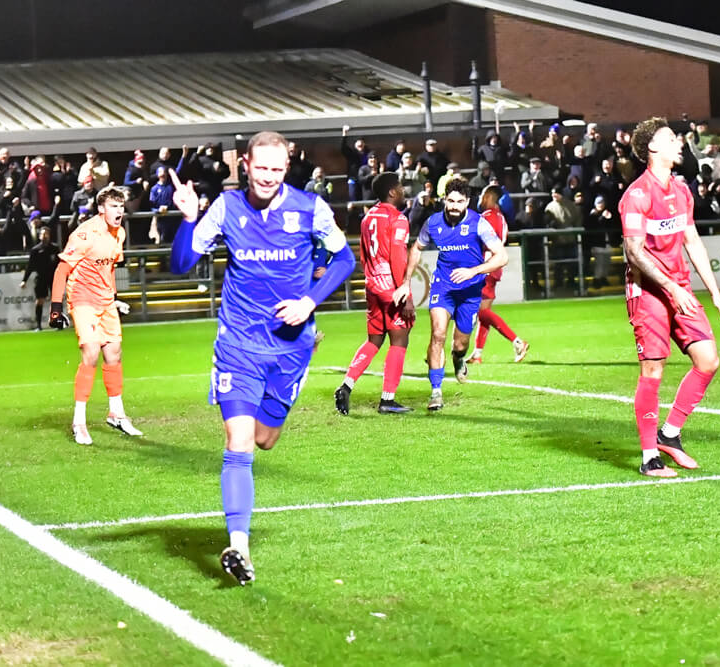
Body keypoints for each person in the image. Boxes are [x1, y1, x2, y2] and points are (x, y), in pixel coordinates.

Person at [168, 130, 355, 585]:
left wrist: (310, 301)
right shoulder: (226, 208)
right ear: (245, 166)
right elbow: (180, 265)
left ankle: (240, 537)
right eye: (262, 167)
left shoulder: (310, 209)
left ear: (285, 168)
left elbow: (345, 259)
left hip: (290, 347)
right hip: (238, 345)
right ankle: (238, 545)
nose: (269, 176)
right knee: (240, 444)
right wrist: (190, 219)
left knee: (266, 438)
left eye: (278, 168)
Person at [619, 117, 720, 478]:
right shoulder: (636, 195)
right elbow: (635, 252)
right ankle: (650, 456)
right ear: (653, 148)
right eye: (671, 139)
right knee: (653, 369)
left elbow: (693, 241)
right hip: (650, 291)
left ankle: (670, 434)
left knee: (708, 359)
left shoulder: (681, 191)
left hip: (679, 286)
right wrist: (672, 288)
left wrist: (714, 293)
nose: (679, 143)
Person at [392, 178, 507, 411]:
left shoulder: (478, 224)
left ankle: (458, 359)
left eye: (460, 202)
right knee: (438, 334)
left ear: (467, 202)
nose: (454, 206)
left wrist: (472, 271)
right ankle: (436, 392)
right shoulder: (433, 223)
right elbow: (416, 249)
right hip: (442, 286)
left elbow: (501, 256)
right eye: (451, 201)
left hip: (470, 291)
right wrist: (406, 283)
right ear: (445, 199)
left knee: (460, 344)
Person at [48, 186, 141, 446]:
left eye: (121, 206)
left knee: (114, 353)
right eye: (113, 206)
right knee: (91, 352)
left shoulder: (118, 233)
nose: (119, 211)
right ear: (101, 209)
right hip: (82, 299)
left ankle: (116, 414)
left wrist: (113, 298)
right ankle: (79, 422)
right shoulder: (85, 233)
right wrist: (56, 308)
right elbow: (61, 270)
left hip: (104, 302)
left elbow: (109, 268)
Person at [335, 172, 416, 416]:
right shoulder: (398, 219)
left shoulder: (367, 217)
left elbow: (364, 255)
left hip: (372, 285)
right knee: (400, 339)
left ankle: (346, 385)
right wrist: (406, 293)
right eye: (400, 187)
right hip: (391, 287)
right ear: (392, 192)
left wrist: (373, 281)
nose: (403, 190)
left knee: (375, 340)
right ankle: (388, 400)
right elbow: (398, 257)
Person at [467, 185, 529, 365]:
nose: (480, 200)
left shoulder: (485, 218)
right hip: (496, 265)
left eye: (482, 196)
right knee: (484, 313)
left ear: (488, 198)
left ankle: (517, 342)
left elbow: (479, 242)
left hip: (485, 265)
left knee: (480, 311)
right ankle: (477, 354)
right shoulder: (501, 218)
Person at [20, 226, 59, 330]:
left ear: (50, 236)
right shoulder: (35, 250)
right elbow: (30, 266)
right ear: (39, 236)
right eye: (43, 234)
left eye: (46, 234)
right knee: (39, 300)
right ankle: (39, 325)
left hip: (53, 277)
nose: (45, 236)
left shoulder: (55, 248)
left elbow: (60, 264)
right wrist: (24, 280)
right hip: (41, 277)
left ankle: (58, 323)